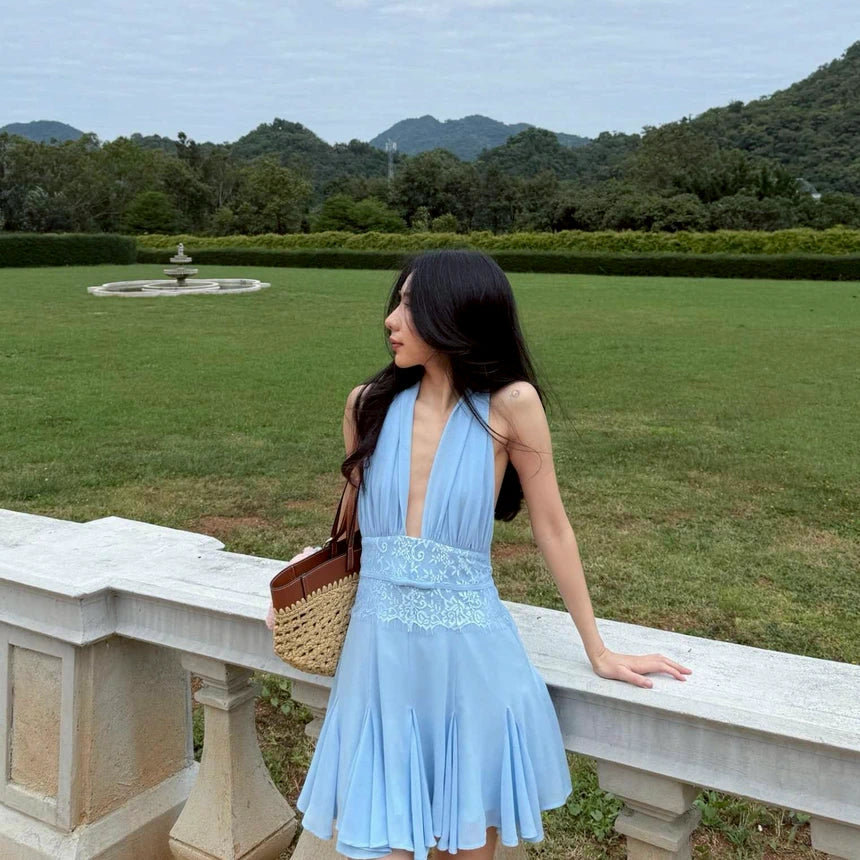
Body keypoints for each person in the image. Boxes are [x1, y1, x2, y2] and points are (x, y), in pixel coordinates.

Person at [274, 249, 692, 860]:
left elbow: (553, 527)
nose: (391, 319)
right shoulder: (366, 404)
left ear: (455, 313)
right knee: (389, 843)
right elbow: (351, 530)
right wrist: (301, 579)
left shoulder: (510, 404)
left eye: (411, 306)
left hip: (471, 661)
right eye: (396, 302)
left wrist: (597, 649)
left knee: (469, 846)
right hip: (378, 662)